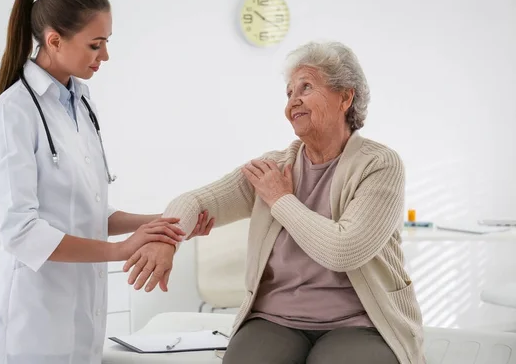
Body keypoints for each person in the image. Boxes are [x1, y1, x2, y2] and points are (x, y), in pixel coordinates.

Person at [124, 41, 425, 363]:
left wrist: (280, 199)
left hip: (361, 321)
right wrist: (165, 241)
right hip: (276, 318)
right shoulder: (273, 167)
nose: (293, 101)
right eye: (288, 92)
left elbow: (343, 251)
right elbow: (195, 201)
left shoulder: (379, 164)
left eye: (306, 87)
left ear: (345, 97)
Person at [0, 0, 213, 364]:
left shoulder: (81, 102)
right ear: (54, 41)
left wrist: (164, 223)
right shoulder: (12, 112)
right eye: (95, 44)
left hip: (81, 313)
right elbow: (20, 231)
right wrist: (119, 250)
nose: (105, 55)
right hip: (32, 319)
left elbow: (89, 213)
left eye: (107, 41)